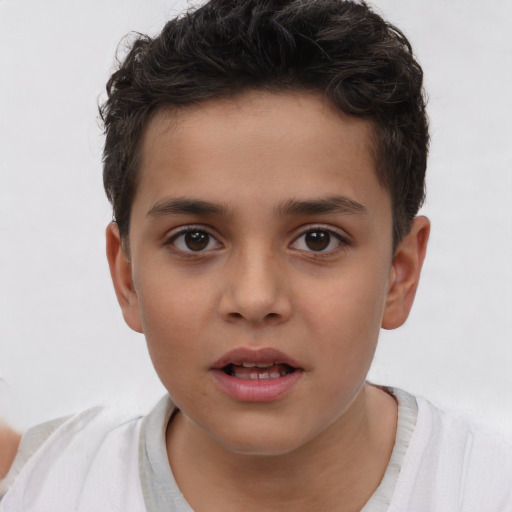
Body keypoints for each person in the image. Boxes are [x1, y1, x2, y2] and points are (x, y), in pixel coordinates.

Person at [1, 0, 511, 510]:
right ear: (128, 276)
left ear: (400, 275)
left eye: (318, 239)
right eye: (194, 239)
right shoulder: (38, 487)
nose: (254, 298)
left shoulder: (487, 488)